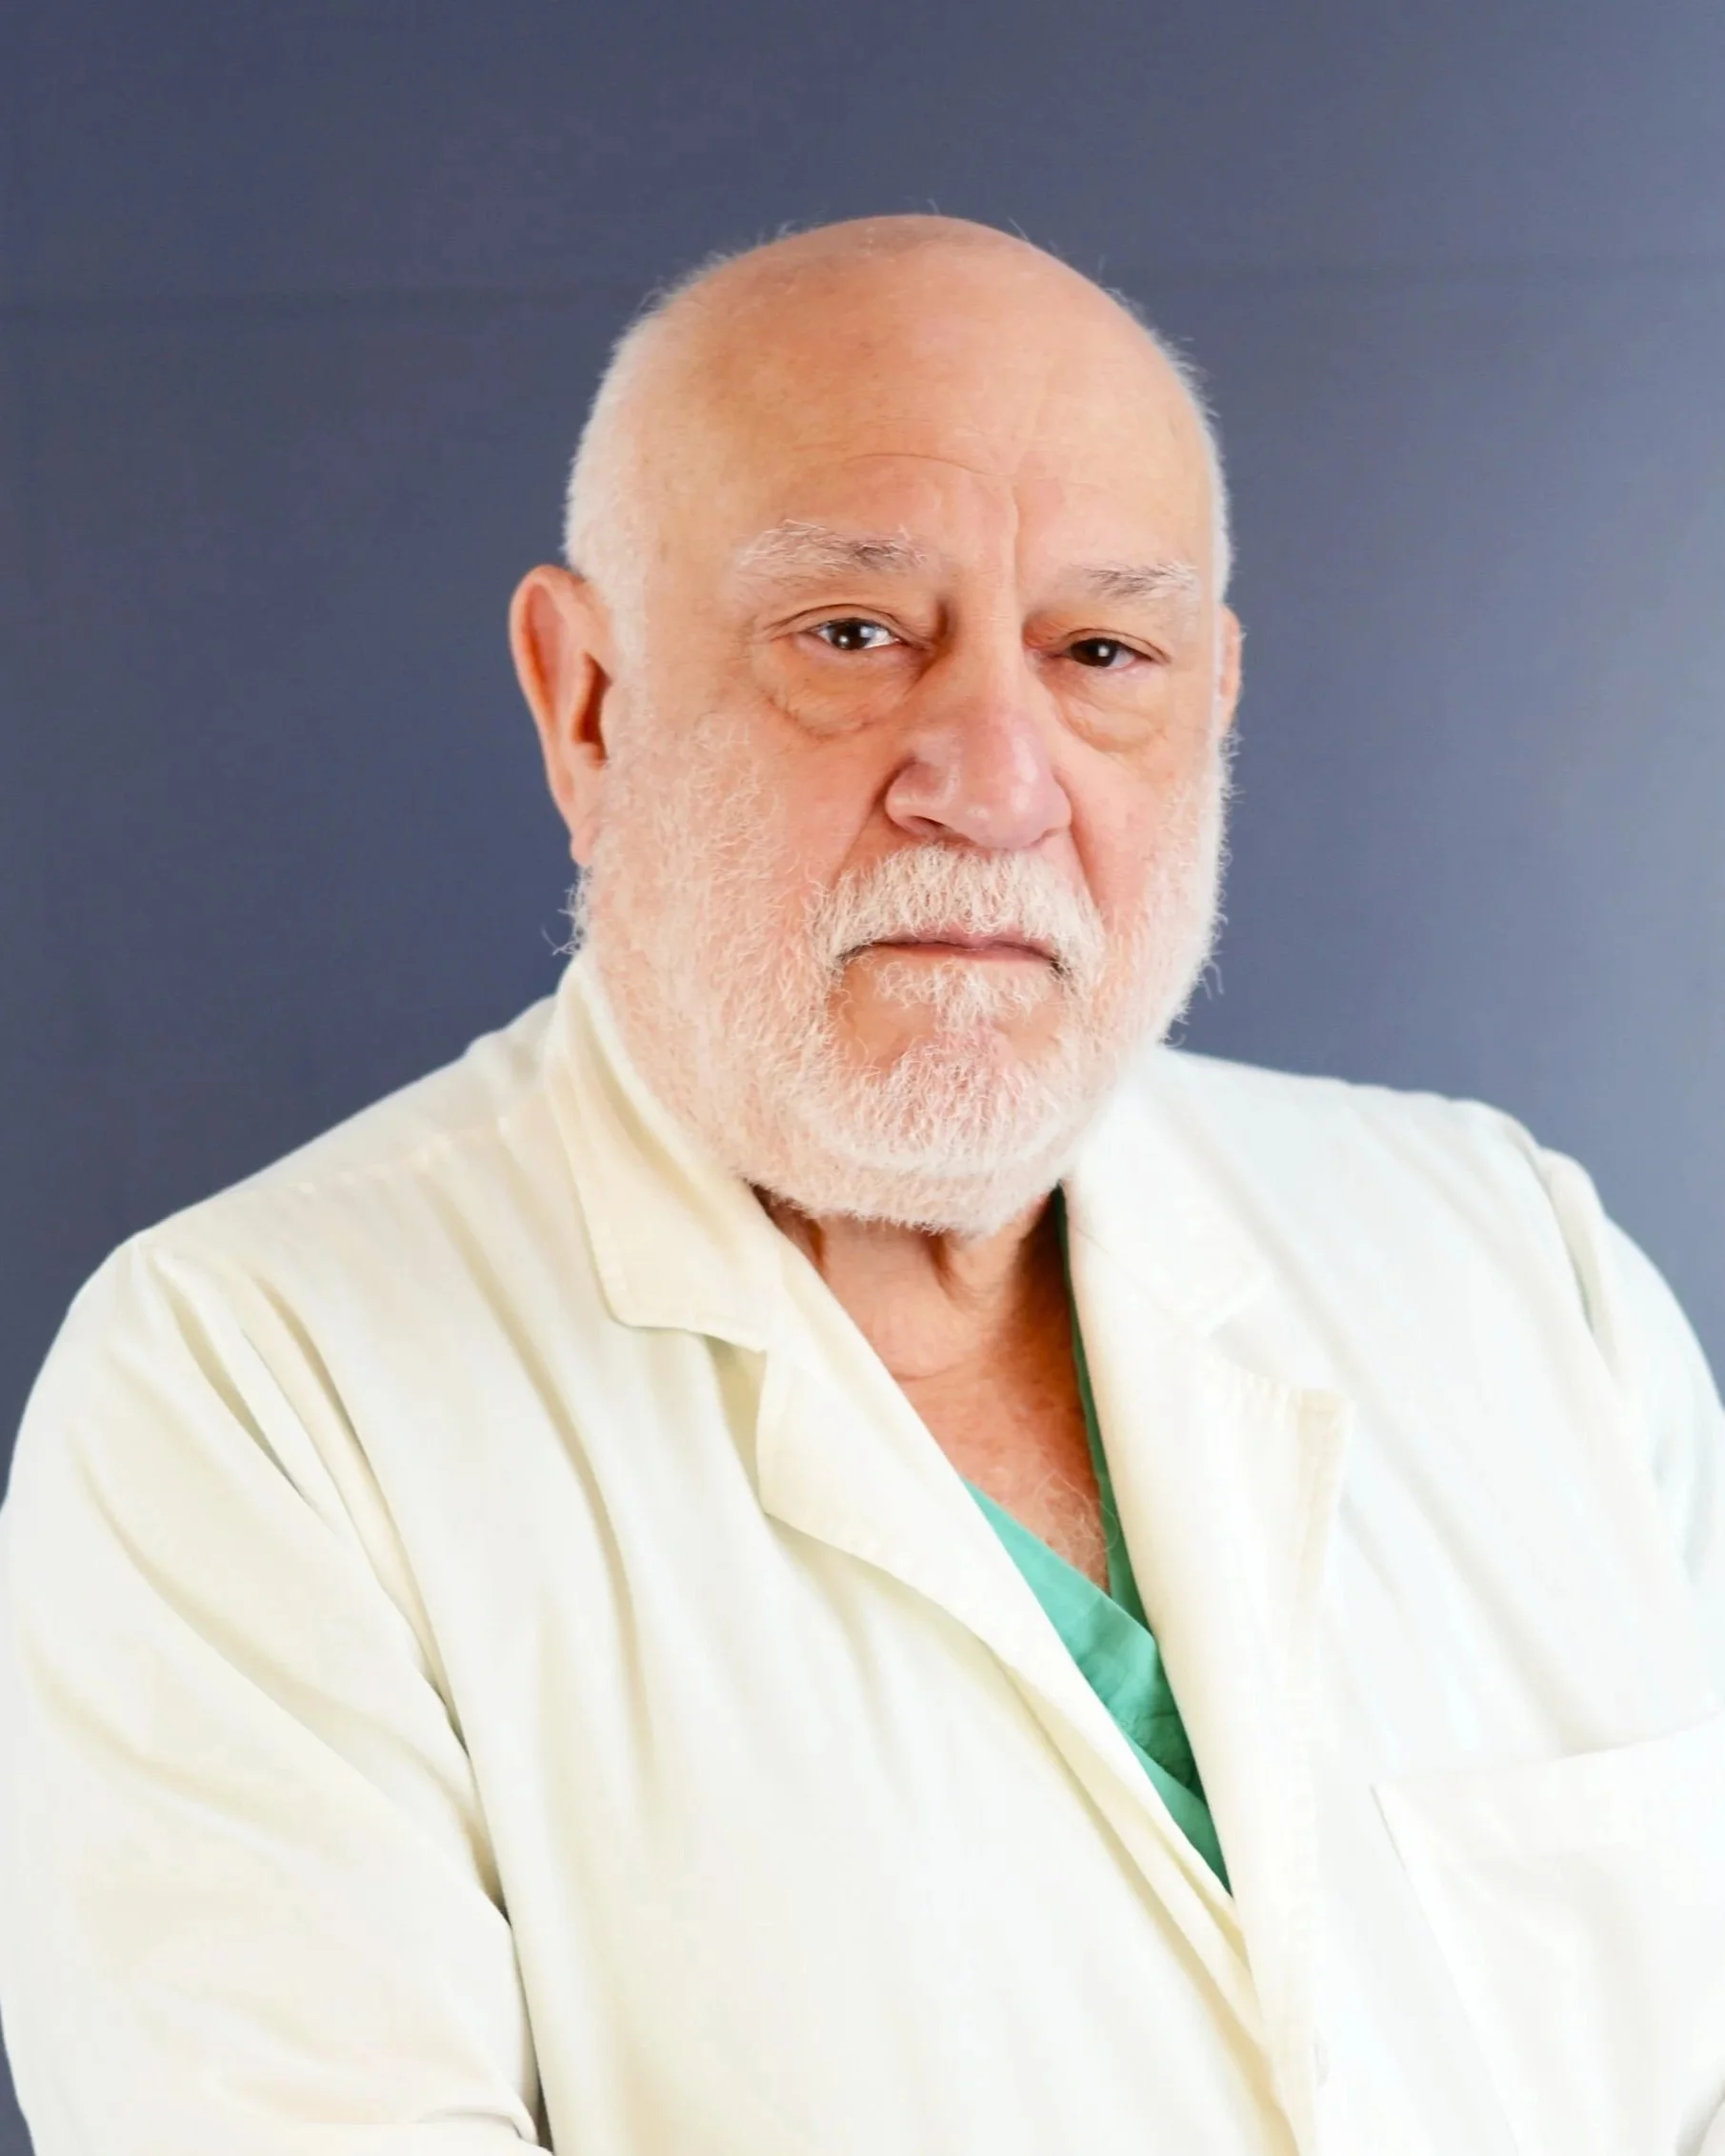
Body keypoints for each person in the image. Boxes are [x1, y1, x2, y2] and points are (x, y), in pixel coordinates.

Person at [0, 213, 1721, 2156]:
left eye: (1099, 651)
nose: (992, 777)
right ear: (586, 701)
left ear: (1211, 701)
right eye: (850, 636)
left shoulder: (1516, 1265)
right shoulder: (249, 1402)